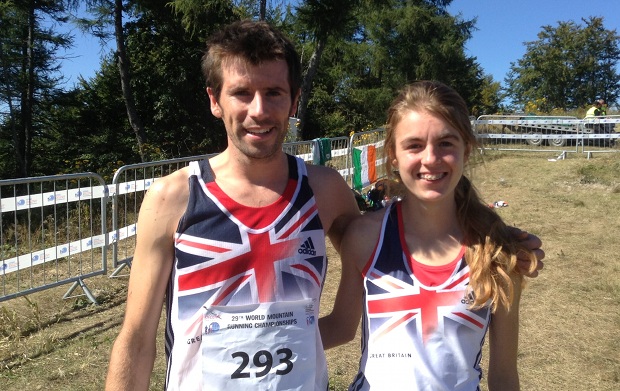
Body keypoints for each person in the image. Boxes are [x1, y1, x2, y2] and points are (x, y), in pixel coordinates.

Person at [105, 21, 543, 391]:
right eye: (241, 93)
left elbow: (402, 237)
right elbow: (137, 339)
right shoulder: (172, 197)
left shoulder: (326, 190)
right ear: (214, 100)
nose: (259, 110)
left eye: (275, 92)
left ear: (294, 101)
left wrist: (498, 238)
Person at [328, 81, 540, 391]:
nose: (430, 158)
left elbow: (504, 375)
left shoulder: (497, 252)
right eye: (414, 145)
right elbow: (340, 327)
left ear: (466, 149)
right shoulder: (365, 237)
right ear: (394, 156)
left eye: (445, 143)